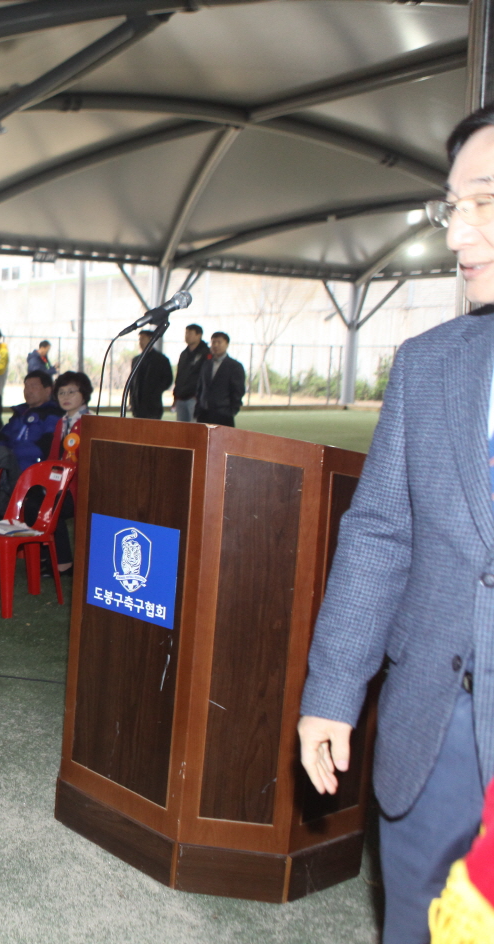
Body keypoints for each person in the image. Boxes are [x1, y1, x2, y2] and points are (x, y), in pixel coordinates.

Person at [298, 106, 494, 944]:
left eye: (484, 202)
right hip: (433, 736)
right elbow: (380, 535)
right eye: (454, 207)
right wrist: (332, 694)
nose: (460, 235)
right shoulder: (430, 364)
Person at [44, 370, 93, 577]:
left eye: (72, 392)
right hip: (60, 485)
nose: (65, 397)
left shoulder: (91, 423)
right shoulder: (60, 422)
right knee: (32, 502)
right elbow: (53, 457)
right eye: (61, 392)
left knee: (51, 508)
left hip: (82, 487)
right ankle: (52, 556)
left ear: (84, 395)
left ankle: (63, 563)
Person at [0, 369, 63, 468]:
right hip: (6, 462)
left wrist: (12, 454)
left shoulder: (53, 414)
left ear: (48, 390)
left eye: (33, 386)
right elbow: (2, 436)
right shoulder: (19, 413)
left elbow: (46, 446)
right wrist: (1, 453)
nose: (28, 390)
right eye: (26, 386)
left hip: (34, 467)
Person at [194, 331, 245, 426]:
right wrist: (198, 408)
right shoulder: (206, 364)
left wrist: (232, 410)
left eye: (219, 342)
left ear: (227, 344)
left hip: (223, 414)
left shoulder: (235, 366)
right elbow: (200, 387)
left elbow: (238, 390)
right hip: (204, 413)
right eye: (213, 342)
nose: (216, 345)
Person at [125, 329, 173, 420]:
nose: (141, 342)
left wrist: (156, 391)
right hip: (137, 405)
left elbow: (168, 379)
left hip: (153, 405)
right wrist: (131, 400)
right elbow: (132, 382)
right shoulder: (136, 360)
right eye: (139, 339)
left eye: (143, 338)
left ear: (151, 340)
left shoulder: (161, 359)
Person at [171, 323, 209, 422]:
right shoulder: (184, 354)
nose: (187, 336)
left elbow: (206, 377)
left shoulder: (206, 353)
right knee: (181, 429)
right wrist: (176, 395)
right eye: (186, 333)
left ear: (199, 335)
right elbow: (179, 375)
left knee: (194, 428)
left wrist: (199, 396)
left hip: (195, 398)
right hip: (181, 397)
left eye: (190, 333)